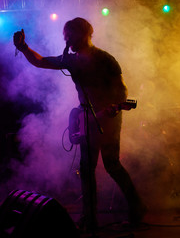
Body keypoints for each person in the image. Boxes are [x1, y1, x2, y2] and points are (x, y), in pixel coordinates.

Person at [13, 17, 146, 233]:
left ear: (84, 34)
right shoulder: (72, 60)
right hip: (87, 119)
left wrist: (112, 108)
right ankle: (90, 219)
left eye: (70, 34)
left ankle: (137, 208)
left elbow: (122, 90)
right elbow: (41, 61)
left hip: (108, 120)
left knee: (112, 165)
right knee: (86, 169)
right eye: (65, 35)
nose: (66, 38)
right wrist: (24, 47)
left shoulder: (105, 59)